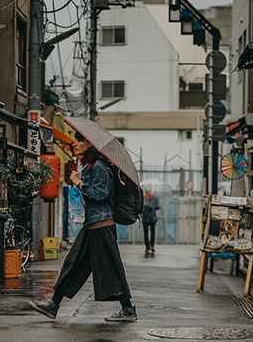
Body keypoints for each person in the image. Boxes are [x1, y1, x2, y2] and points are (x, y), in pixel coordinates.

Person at [28, 133, 137, 322]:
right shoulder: (91, 166)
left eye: (79, 141)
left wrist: (80, 183)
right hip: (92, 225)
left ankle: (128, 309)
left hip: (102, 225)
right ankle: (53, 305)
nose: (75, 144)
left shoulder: (101, 167)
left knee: (110, 266)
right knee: (74, 264)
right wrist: (80, 180)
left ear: (90, 143)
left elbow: (101, 195)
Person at [142, 190, 160, 254]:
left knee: (145, 233)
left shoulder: (143, 198)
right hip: (153, 218)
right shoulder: (155, 198)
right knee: (152, 232)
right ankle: (152, 246)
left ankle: (147, 247)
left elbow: (140, 207)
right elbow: (158, 207)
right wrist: (153, 208)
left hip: (145, 218)